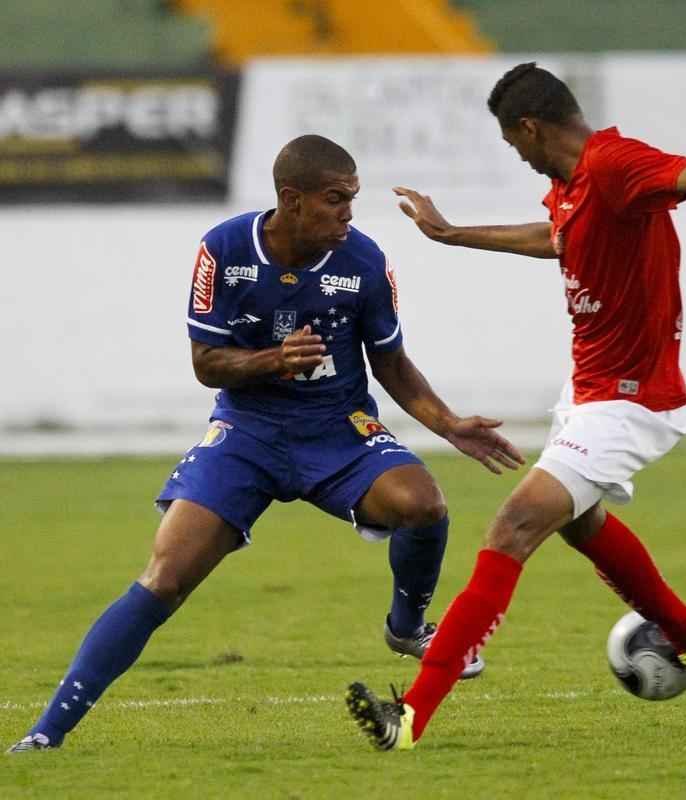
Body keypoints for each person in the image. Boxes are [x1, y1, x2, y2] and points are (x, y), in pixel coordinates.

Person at [345, 62, 686, 751]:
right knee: (580, 523)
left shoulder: (614, 163)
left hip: (632, 401)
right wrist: (454, 235)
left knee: (513, 525)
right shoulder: (570, 188)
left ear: (530, 127)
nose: (519, 159)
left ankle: (411, 716)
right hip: (587, 393)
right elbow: (555, 238)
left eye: (516, 146)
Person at [7, 134, 524, 753]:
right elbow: (206, 364)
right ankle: (46, 734)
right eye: (336, 199)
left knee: (424, 504)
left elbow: (390, 360)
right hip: (246, 434)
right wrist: (273, 360)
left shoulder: (363, 261)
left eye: (353, 199)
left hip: (339, 431)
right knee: (164, 577)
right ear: (292, 199)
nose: (348, 213)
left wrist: (447, 423)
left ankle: (408, 627)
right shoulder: (224, 250)